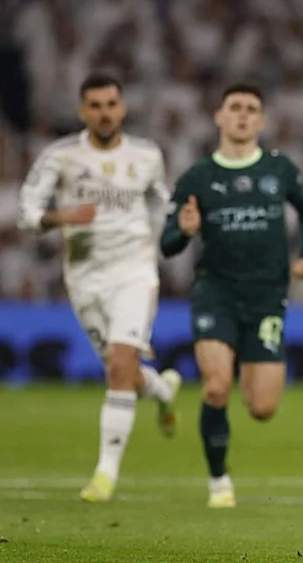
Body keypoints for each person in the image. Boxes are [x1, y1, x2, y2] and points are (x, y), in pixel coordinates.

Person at [17, 72, 181, 503]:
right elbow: (26, 213)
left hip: (134, 272)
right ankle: (162, 390)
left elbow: (161, 202)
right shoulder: (61, 157)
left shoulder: (146, 155)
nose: (105, 113)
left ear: (122, 108)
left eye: (111, 104)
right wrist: (60, 217)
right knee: (122, 372)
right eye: (95, 106)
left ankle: (104, 475)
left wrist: (173, 228)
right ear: (82, 111)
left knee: (121, 364)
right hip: (85, 278)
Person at [160, 83, 303, 508]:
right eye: (235, 107)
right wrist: (184, 231)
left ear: (261, 121)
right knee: (215, 387)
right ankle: (219, 481)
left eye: (251, 108)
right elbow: (168, 243)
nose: (243, 115)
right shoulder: (197, 177)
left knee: (262, 407)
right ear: (219, 116)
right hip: (216, 291)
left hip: (267, 296)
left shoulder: (279, 169)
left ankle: (179, 399)